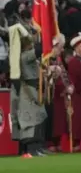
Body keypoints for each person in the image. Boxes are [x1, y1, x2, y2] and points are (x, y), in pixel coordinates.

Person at [9, 23, 47, 157]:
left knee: (38, 119)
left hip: (32, 89)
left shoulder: (21, 57)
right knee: (30, 120)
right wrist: (41, 34)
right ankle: (32, 149)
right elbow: (40, 49)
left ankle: (37, 147)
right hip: (28, 91)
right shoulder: (25, 56)